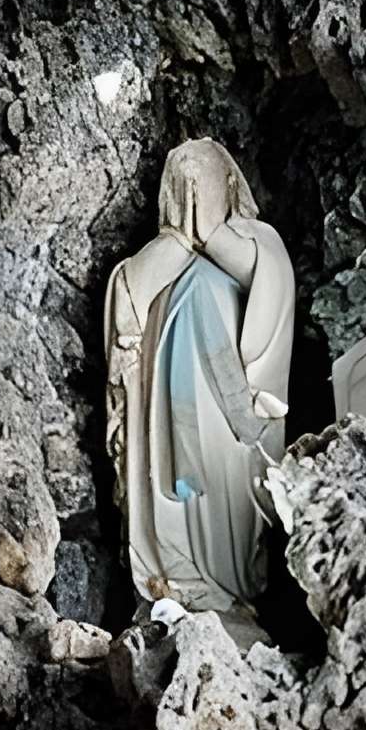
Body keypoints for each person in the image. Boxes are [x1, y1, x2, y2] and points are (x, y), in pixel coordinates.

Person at [105, 139, 295, 616]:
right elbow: (126, 300)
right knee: (175, 510)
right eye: (182, 183)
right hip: (168, 420)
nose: (193, 192)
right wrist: (179, 242)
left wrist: (214, 235)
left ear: (230, 183)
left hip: (231, 427)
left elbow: (271, 282)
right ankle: (180, 586)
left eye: (203, 180)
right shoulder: (160, 258)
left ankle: (232, 593)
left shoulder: (258, 241)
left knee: (228, 507)